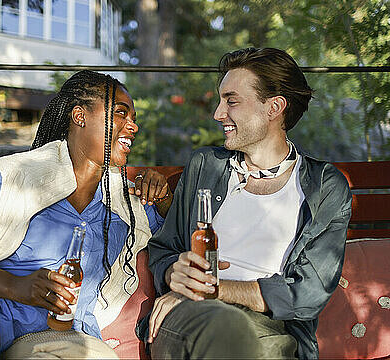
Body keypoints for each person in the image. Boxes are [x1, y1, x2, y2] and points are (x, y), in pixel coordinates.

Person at [0, 70, 173, 359]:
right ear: (79, 116)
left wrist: (164, 198)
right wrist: (16, 286)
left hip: (59, 332)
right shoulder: (11, 177)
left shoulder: (127, 202)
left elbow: (171, 236)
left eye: (133, 118)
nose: (133, 126)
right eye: (121, 113)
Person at [139, 48, 352, 359]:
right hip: (191, 317)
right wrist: (176, 276)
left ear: (274, 107)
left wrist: (214, 288)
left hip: (272, 329)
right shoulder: (205, 167)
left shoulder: (324, 187)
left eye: (231, 101)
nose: (218, 113)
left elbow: (310, 292)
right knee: (226, 335)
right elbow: (163, 249)